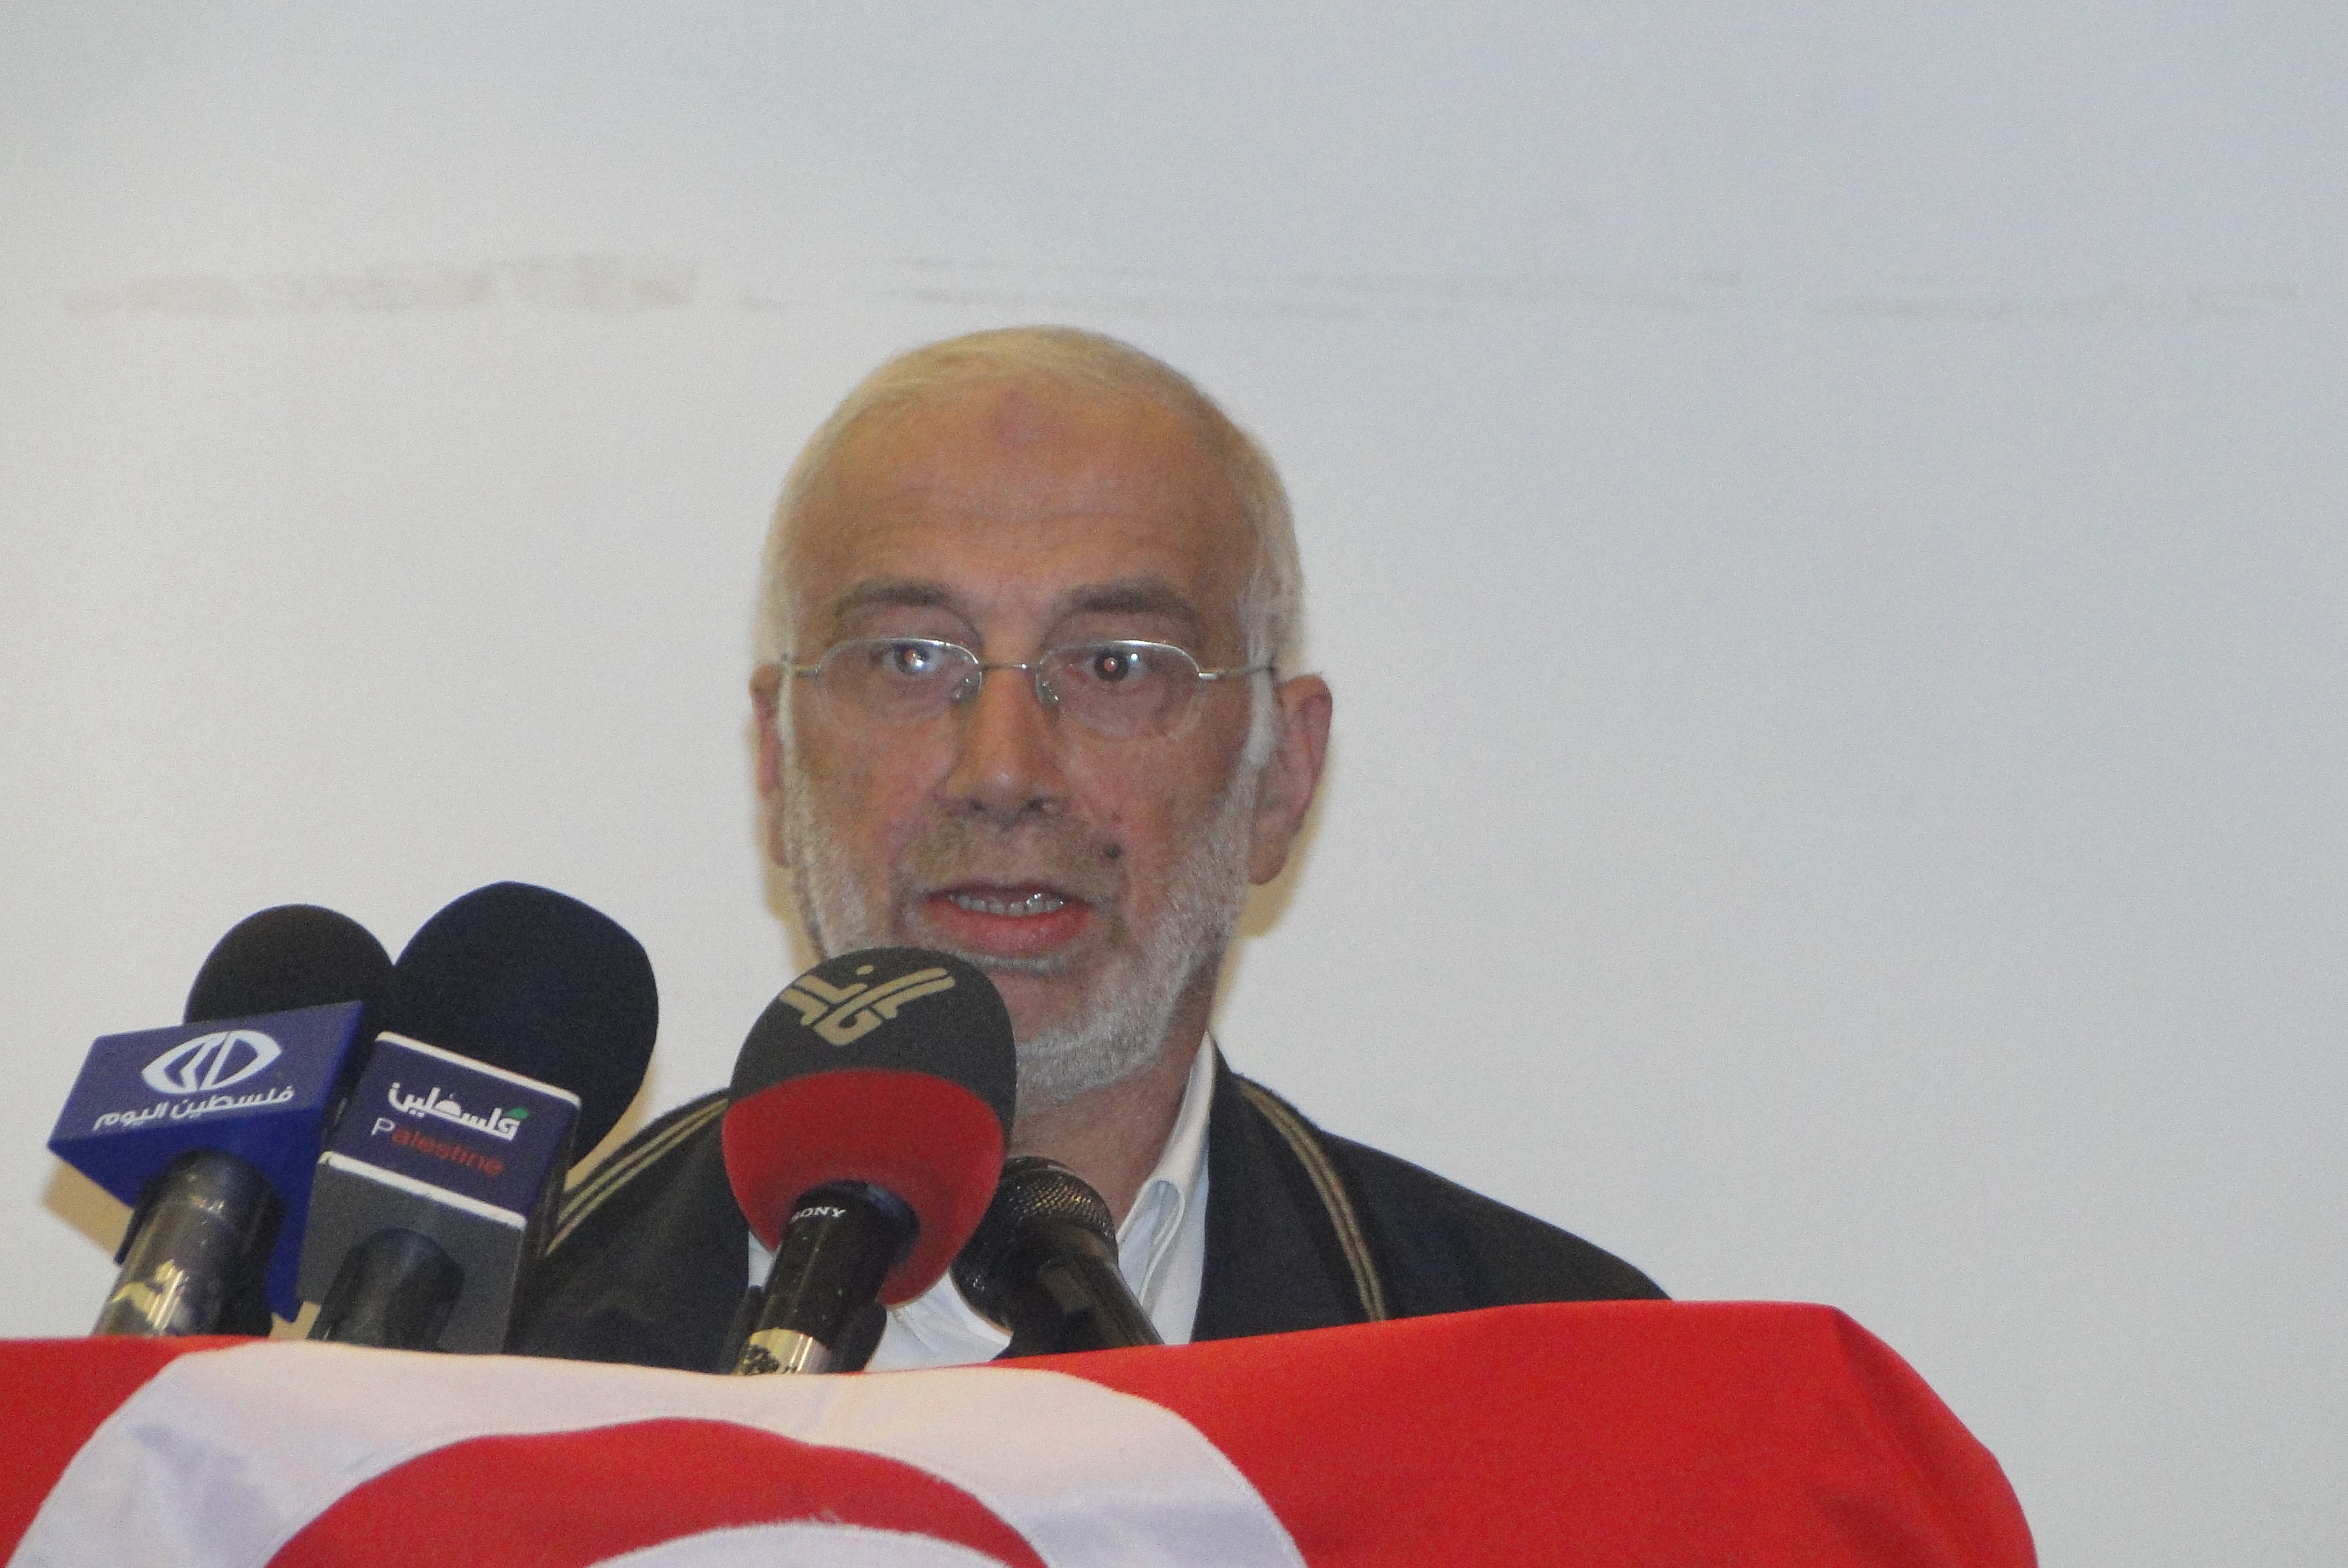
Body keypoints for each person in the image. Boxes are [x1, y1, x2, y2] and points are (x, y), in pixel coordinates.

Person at [520, 326, 1660, 1372]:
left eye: (1116, 665)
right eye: (910, 658)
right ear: (777, 760)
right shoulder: (481, 1362)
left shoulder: (1569, 1385)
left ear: (1281, 777)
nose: (1003, 771)